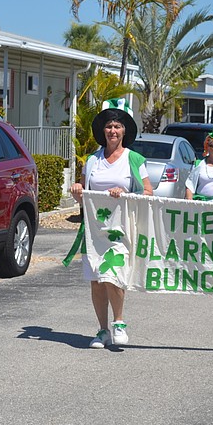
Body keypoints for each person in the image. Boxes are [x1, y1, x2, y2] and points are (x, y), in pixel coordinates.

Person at [69, 98, 154, 349]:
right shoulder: (92, 160)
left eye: (117, 126)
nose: (112, 131)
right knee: (96, 279)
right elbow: (84, 193)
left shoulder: (134, 159)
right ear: (102, 131)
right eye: (108, 126)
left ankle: (119, 321)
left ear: (124, 130)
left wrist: (125, 193)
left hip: (122, 227)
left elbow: (148, 192)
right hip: (95, 229)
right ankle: (102, 330)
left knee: (112, 274)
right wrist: (77, 191)